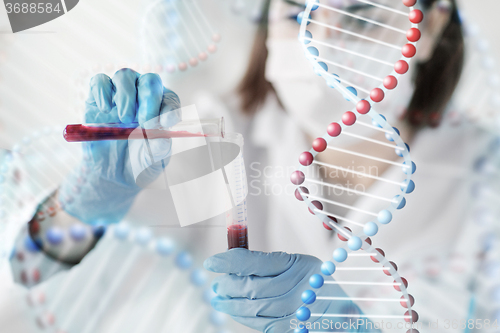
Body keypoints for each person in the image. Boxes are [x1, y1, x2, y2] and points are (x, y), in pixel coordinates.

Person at [2, 0, 497, 332]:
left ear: (430, 27)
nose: (320, 45)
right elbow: (23, 281)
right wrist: (85, 206)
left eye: (362, 17)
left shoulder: (486, 181)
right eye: (297, 14)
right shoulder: (207, 137)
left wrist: (351, 325)